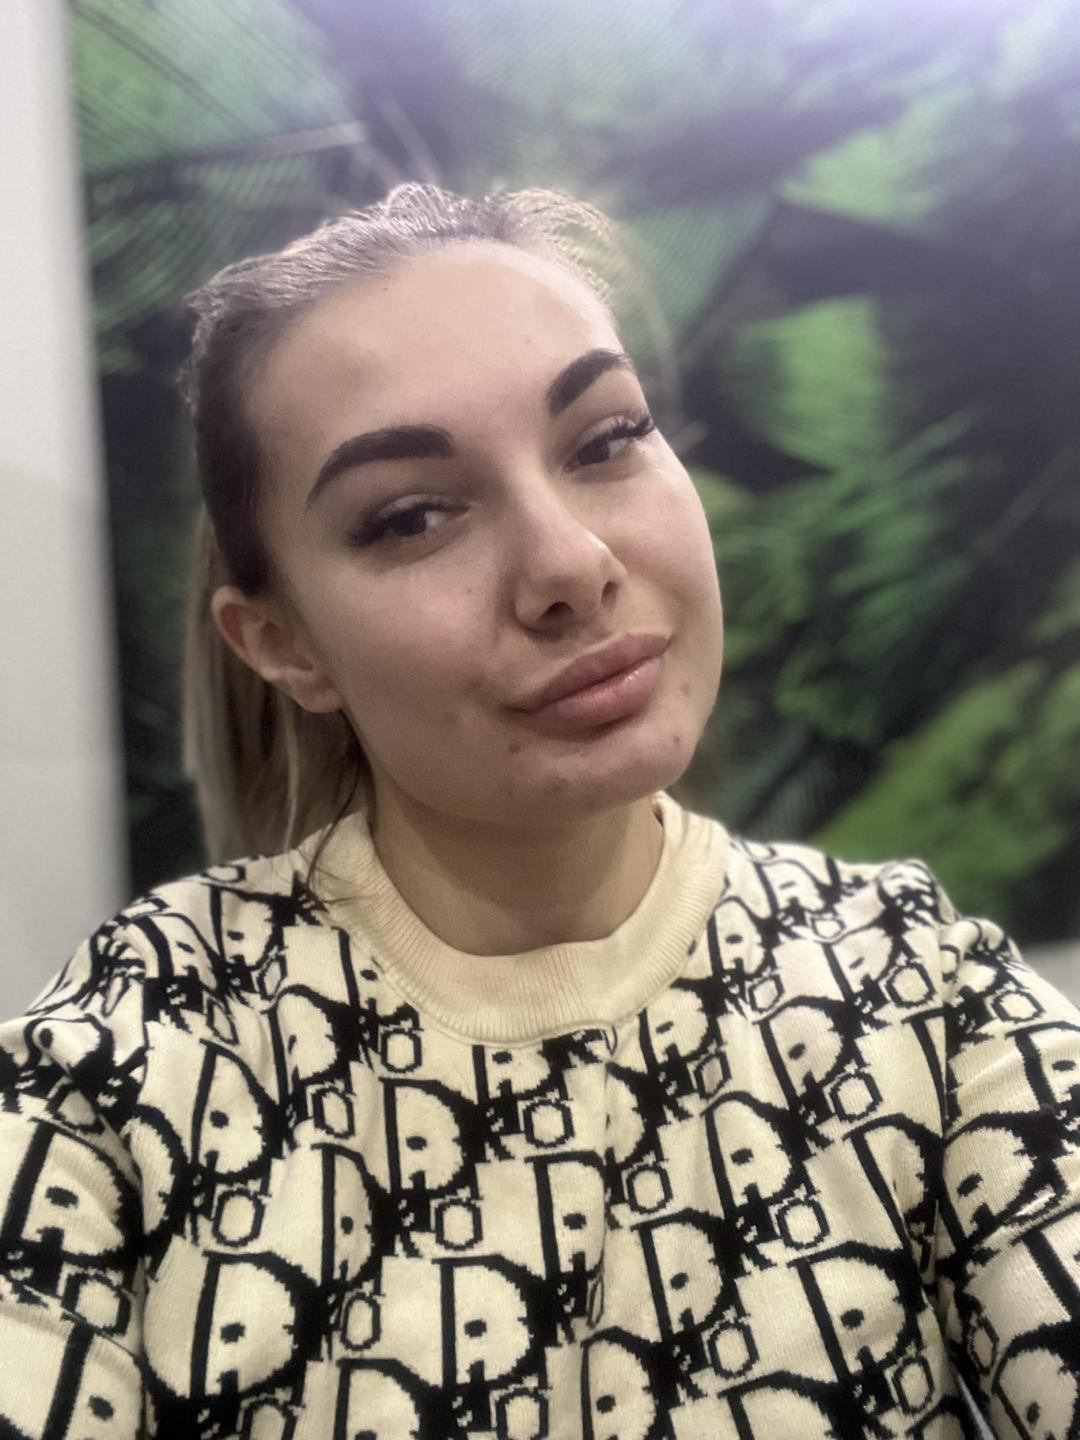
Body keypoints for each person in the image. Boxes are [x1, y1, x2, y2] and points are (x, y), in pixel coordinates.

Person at [0, 182, 1077, 1440]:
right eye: (412, 515)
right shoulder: (131, 1061)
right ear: (284, 643)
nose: (571, 565)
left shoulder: (917, 990)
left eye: (607, 440)